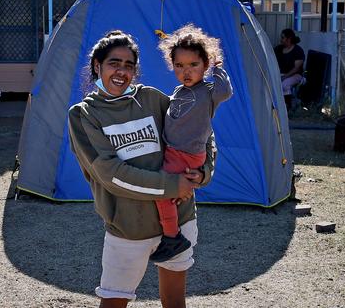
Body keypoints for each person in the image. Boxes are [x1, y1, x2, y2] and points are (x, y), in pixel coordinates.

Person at [68, 30, 216, 308]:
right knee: (114, 302)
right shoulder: (83, 115)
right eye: (114, 63)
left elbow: (198, 128)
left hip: (179, 218)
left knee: (174, 301)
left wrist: (204, 170)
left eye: (129, 65)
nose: (121, 71)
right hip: (129, 226)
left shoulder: (150, 99)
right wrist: (173, 185)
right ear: (97, 66)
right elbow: (110, 175)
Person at [151, 24, 233, 263]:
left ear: (204, 65)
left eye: (194, 65)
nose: (186, 72)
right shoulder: (178, 91)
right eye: (179, 66)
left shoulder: (209, 92)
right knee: (171, 192)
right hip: (174, 152)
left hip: (187, 155)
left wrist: (218, 68)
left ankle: (172, 237)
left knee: (163, 192)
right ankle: (170, 229)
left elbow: (226, 91)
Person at [274, 28, 305, 109]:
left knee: (284, 85)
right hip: (282, 74)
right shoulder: (278, 49)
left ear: (289, 39)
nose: (281, 40)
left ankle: (287, 107)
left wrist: (285, 77)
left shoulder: (298, 50)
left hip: (296, 75)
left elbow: (296, 69)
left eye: (282, 37)